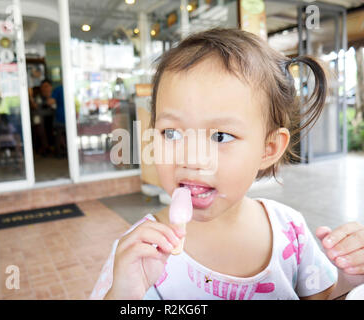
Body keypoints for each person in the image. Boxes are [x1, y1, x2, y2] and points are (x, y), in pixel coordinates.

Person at [90, 28, 364, 300]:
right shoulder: (138, 254)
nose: (192, 158)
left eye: (220, 136)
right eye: (171, 133)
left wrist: (349, 281)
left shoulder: (290, 230)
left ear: (268, 149)